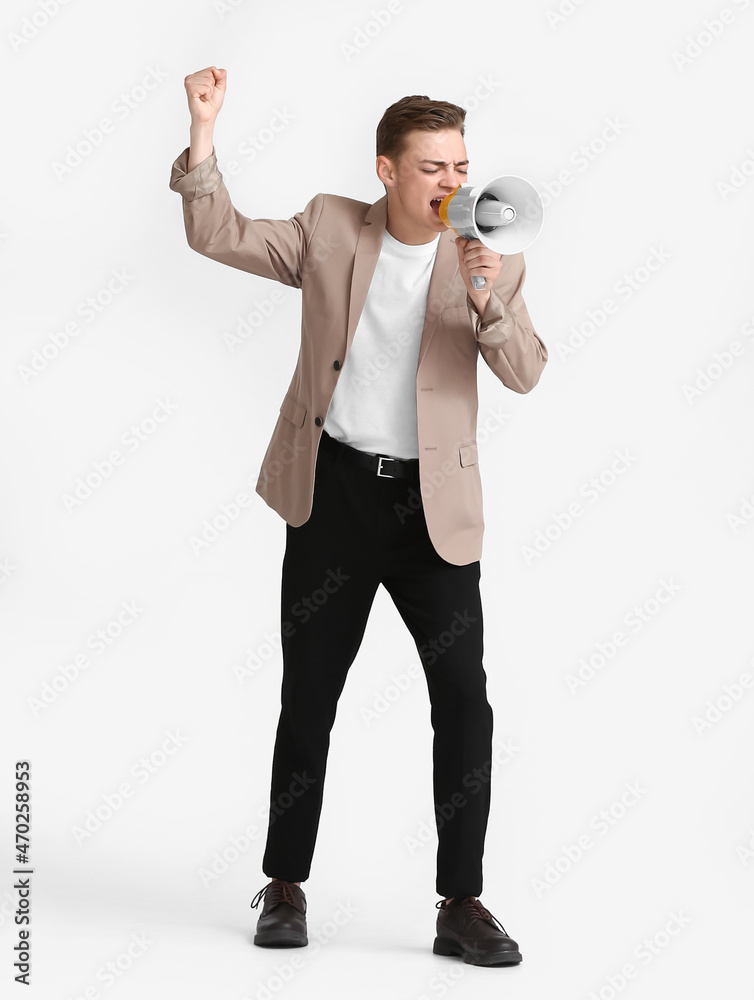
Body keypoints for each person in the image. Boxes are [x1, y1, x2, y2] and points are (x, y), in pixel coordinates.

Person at [169, 65, 547, 967]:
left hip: (434, 517)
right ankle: (286, 884)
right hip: (333, 497)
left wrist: (490, 298)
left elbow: (527, 371)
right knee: (310, 698)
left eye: (461, 165)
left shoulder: (493, 253)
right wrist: (205, 134)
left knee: (464, 703)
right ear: (387, 171)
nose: (455, 184)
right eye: (434, 168)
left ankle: (462, 903)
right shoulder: (333, 228)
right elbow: (218, 235)